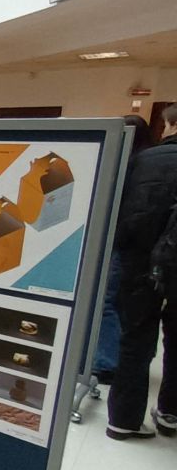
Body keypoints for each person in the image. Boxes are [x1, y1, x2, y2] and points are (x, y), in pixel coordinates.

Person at [106, 104, 177, 440]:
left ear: (169, 124)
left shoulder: (146, 160)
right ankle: (170, 412)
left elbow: (124, 211)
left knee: (134, 339)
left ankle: (123, 419)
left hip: (139, 264)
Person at [92, 114, 156, 384]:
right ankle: (111, 358)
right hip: (141, 248)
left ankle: (106, 363)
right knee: (117, 302)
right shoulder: (146, 162)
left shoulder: (132, 166)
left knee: (107, 302)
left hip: (122, 243)